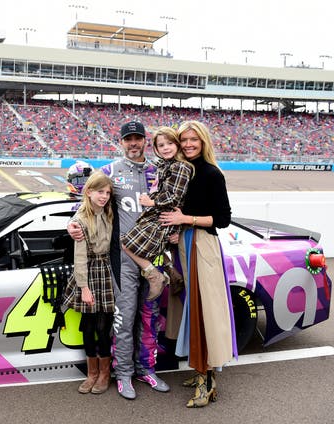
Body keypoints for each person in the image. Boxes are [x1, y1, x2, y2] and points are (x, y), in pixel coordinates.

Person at [68, 120, 168, 400]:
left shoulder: (157, 171)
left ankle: (146, 369)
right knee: (123, 322)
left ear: (145, 141)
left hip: (153, 258)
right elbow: (87, 199)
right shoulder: (110, 171)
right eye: (128, 139)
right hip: (122, 261)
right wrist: (72, 223)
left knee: (149, 320)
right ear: (121, 142)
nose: (133, 143)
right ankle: (123, 374)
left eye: (138, 138)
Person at [159, 120, 238, 408]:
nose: (189, 144)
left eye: (194, 139)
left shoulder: (211, 173)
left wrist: (185, 220)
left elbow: (223, 218)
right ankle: (200, 371)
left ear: (203, 141)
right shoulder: (182, 171)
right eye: (184, 140)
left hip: (202, 246)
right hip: (183, 245)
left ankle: (207, 381)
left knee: (204, 313)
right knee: (191, 311)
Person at [121, 127, 193, 301]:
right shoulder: (166, 165)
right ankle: (171, 273)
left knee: (125, 243)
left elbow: (175, 197)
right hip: (160, 215)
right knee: (150, 248)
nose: (166, 148)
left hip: (163, 217)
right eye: (161, 145)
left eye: (170, 143)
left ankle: (155, 276)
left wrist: (151, 202)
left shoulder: (180, 166)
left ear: (177, 144)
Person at [61, 170, 114, 395]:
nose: (104, 196)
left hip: (108, 271)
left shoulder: (112, 212)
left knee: (104, 327)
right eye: (100, 192)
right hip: (89, 274)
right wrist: (84, 288)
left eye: (108, 193)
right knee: (89, 326)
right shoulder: (81, 219)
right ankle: (92, 373)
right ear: (89, 192)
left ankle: (104, 373)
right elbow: (80, 257)